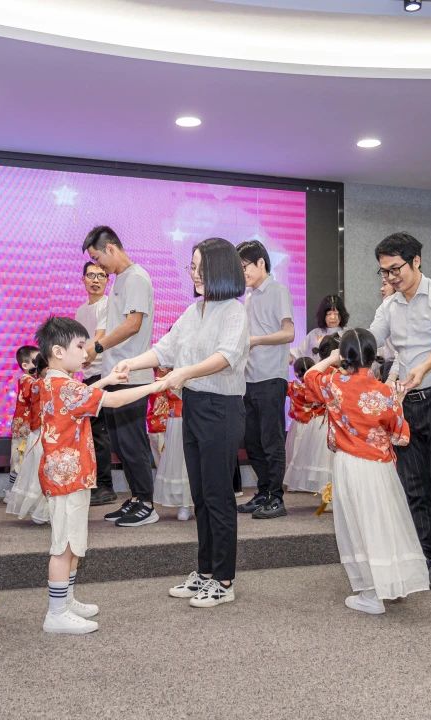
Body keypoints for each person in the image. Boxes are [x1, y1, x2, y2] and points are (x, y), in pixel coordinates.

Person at [115, 237, 249, 608]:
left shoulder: (234, 312)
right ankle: (205, 571)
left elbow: (226, 356)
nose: (194, 274)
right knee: (201, 494)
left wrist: (184, 372)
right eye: (192, 267)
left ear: (220, 269)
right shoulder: (194, 310)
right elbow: (166, 348)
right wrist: (132, 363)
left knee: (218, 496)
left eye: (200, 267)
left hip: (221, 409)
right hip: (194, 405)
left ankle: (223, 580)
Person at [32, 316, 164, 634]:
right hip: (68, 478)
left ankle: (66, 600)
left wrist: (107, 379)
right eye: (80, 346)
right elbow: (113, 400)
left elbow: (85, 393)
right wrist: (157, 385)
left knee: (73, 543)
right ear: (58, 352)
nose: (86, 352)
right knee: (64, 546)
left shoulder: (54, 382)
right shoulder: (63, 386)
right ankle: (56, 612)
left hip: (69, 476)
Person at [368, 232, 431, 590]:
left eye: (395, 269)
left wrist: (423, 368)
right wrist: (340, 356)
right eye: (384, 272)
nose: (390, 277)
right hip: (407, 404)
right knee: (413, 484)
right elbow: (370, 340)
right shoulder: (389, 307)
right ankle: (423, 553)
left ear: (416, 261)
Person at [303, 329, 428, 613]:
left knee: (358, 525)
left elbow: (309, 377)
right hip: (380, 468)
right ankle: (391, 583)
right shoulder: (384, 391)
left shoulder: (334, 383)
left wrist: (330, 359)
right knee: (384, 522)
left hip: (349, 464)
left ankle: (372, 594)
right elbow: (400, 436)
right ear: (373, 355)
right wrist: (396, 402)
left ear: (344, 356)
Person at [83, 226, 158, 527]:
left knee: (133, 443)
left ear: (111, 248)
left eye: (98, 258)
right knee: (121, 444)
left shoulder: (136, 277)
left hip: (133, 375)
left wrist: (98, 346)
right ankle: (137, 498)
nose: (98, 266)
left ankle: (147, 503)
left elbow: (132, 324)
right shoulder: (121, 280)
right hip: (116, 374)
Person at [234, 240, 295, 520]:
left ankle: (276, 497)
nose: (242, 273)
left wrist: (256, 340)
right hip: (249, 378)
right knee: (253, 441)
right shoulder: (249, 296)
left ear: (261, 263)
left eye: (244, 266)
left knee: (271, 440)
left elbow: (288, 333)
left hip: (271, 376)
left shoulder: (277, 290)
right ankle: (263, 491)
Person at [72, 261, 117, 506]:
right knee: (93, 432)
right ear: (83, 279)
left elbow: (100, 336)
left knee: (100, 433)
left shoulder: (107, 304)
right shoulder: (81, 310)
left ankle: (106, 486)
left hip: (104, 373)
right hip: (89, 375)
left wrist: (84, 356)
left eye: (101, 275)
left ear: (107, 280)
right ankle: (98, 484)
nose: (96, 280)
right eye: (91, 275)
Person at [4, 345, 49, 524]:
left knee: (27, 463)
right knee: (19, 461)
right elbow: (35, 391)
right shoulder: (26, 380)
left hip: (30, 427)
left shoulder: (34, 379)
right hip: (23, 428)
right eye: (37, 361)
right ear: (25, 365)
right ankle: (12, 492)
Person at [284, 356, 331, 495]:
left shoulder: (293, 387)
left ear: (296, 373)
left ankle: (294, 483)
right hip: (314, 423)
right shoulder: (319, 387)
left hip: (298, 425)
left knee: (295, 452)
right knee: (311, 455)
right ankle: (310, 482)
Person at [149, 376, 191, 520]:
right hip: (173, 415)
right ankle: (183, 502)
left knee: (191, 459)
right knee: (177, 459)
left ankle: (194, 502)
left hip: (195, 408)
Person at [290, 294, 348, 361]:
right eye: (329, 314)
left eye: (336, 314)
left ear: (342, 314)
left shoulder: (348, 334)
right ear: (323, 315)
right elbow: (299, 352)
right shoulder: (314, 333)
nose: (333, 317)